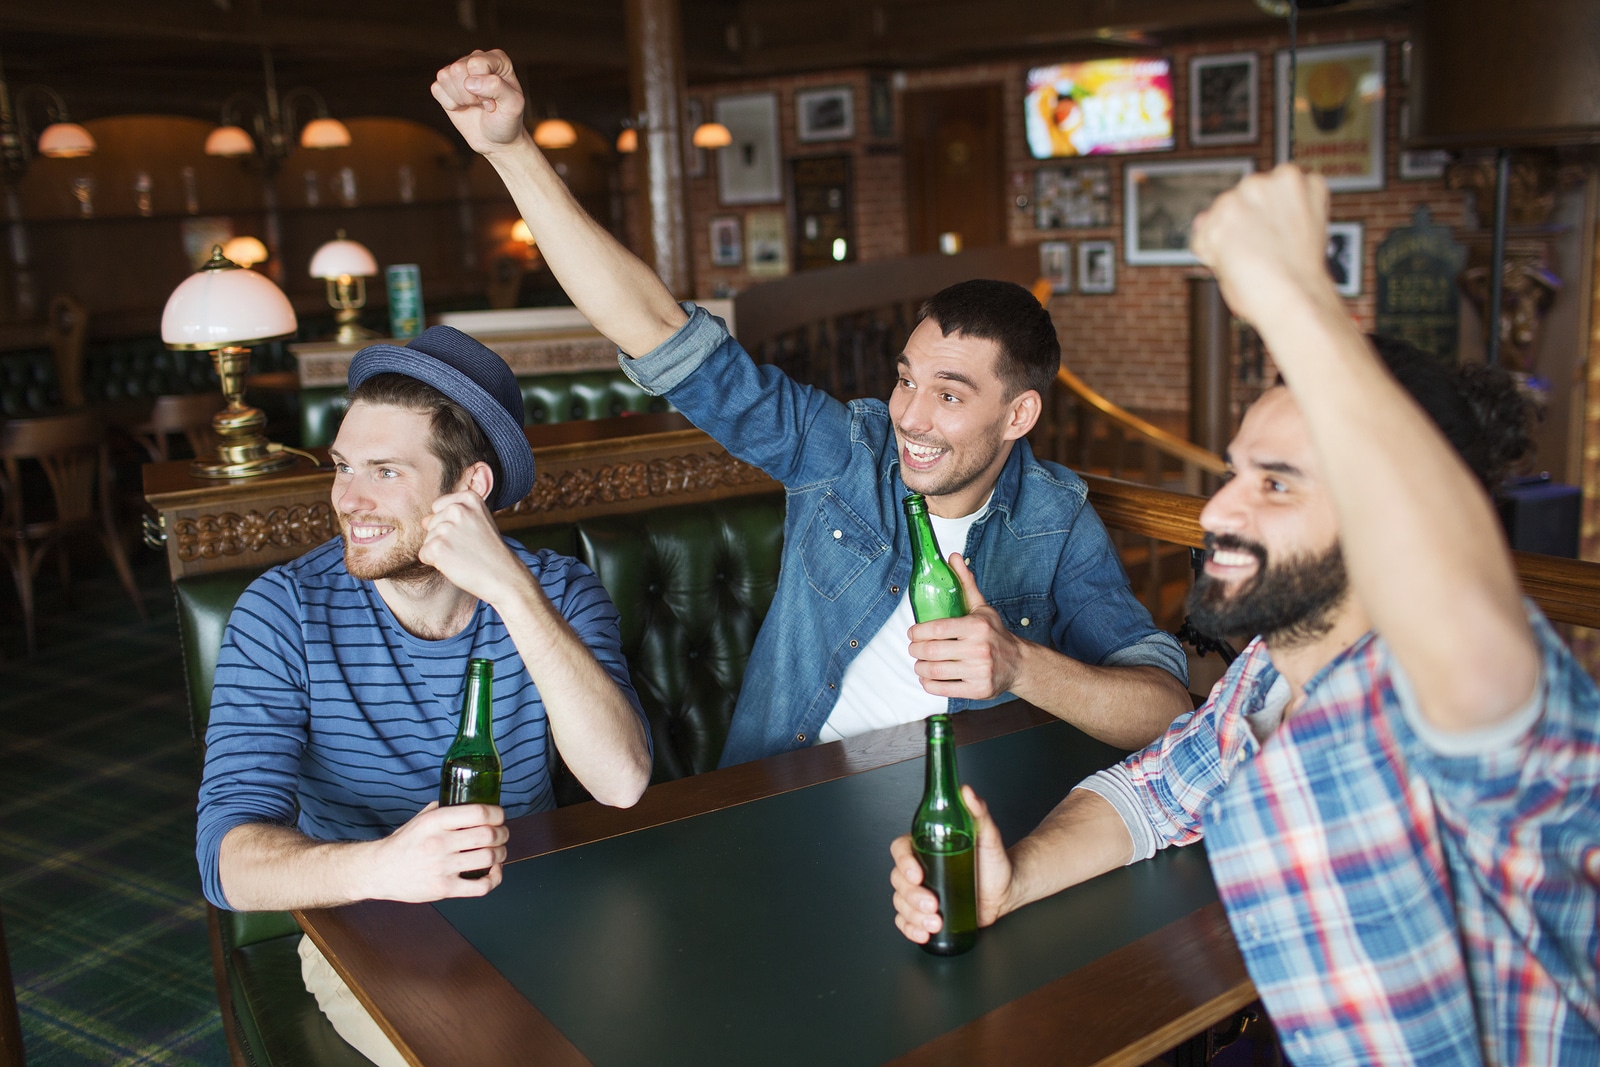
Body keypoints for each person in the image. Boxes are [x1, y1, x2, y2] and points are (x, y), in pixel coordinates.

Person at [890, 164, 1600, 1063]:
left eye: (1277, 484)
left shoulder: (1459, 697)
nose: (1220, 510)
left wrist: (1295, 293)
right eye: (1235, 472)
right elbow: (1149, 793)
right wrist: (1014, 878)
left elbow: (1458, 606)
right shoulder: (1266, 676)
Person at [431, 49, 1192, 767]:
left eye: (951, 394)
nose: (911, 415)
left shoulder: (1055, 521)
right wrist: (511, 150)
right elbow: (661, 334)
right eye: (906, 379)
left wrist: (1021, 663)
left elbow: (1163, 705)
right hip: (785, 800)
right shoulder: (846, 451)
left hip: (952, 811)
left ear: (1018, 415)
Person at [195, 326, 652, 1066]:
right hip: (370, 931)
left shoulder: (557, 591)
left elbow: (623, 780)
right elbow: (227, 860)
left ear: (470, 488)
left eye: (384, 471)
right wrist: (382, 867)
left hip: (548, 906)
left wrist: (510, 591)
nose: (347, 498)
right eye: (343, 466)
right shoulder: (282, 611)